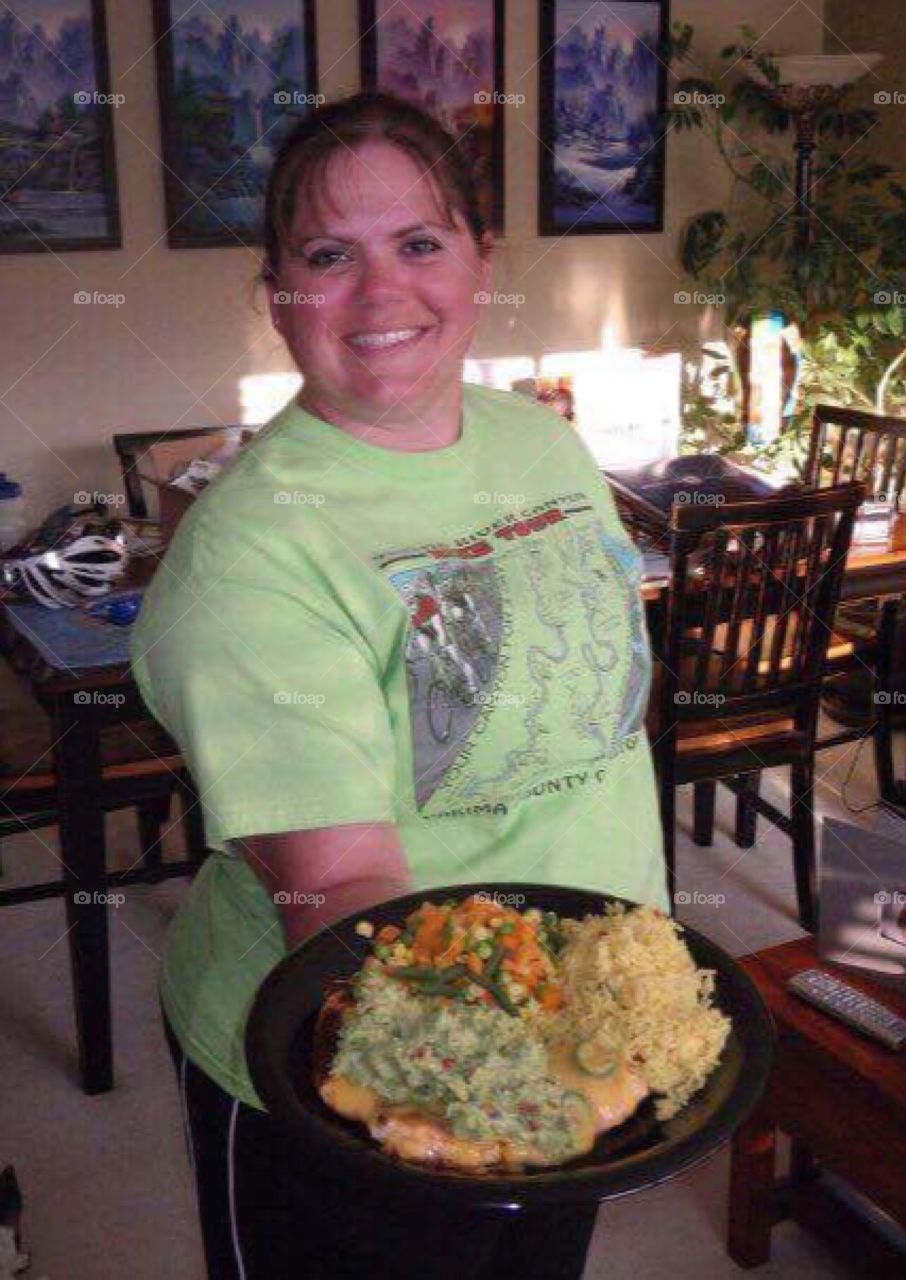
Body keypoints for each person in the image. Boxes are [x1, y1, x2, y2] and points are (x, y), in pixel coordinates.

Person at [132, 90, 668, 1280]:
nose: (383, 295)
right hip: (354, 1077)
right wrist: (500, 1100)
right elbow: (338, 889)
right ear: (277, 289)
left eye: (420, 242)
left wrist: (625, 1019)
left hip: (577, 1029)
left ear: (482, 256)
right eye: (331, 255)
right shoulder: (249, 553)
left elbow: (595, 721)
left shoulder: (534, 437)